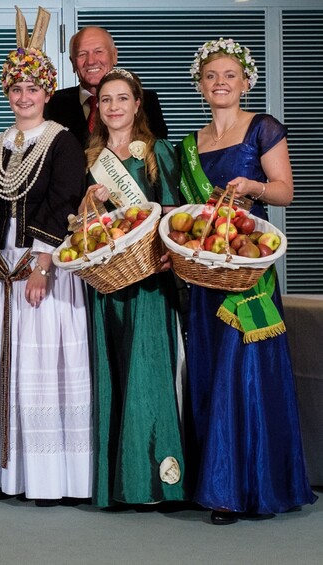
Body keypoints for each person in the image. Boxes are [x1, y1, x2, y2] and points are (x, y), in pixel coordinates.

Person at [179, 38, 316, 525]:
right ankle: (217, 484)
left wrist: (253, 187)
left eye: (229, 75)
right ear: (200, 85)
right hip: (203, 273)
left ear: (245, 81)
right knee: (211, 370)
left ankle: (248, 485)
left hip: (247, 269)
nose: (220, 82)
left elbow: (285, 192)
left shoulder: (263, 129)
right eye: (211, 76)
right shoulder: (189, 146)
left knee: (246, 372)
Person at [0, 18, 92, 505]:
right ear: (7, 91)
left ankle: (45, 478)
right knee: (0, 364)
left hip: (45, 264)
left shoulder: (62, 142)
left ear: (47, 92)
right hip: (1, 267)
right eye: (16, 88)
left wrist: (42, 265)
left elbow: (64, 200)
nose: (24, 97)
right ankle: (3, 472)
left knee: (39, 364)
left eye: (33, 88)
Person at [82, 68, 185, 508]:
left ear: (138, 104)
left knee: (148, 373)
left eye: (122, 98)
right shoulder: (91, 156)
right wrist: (89, 205)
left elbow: (179, 212)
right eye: (106, 100)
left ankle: (158, 481)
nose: (114, 107)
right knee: (114, 373)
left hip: (148, 281)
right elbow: (82, 227)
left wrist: (168, 254)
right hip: (107, 281)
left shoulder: (158, 151)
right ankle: (119, 482)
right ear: (97, 108)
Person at [45, 26, 167, 147]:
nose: (91, 61)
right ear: (73, 63)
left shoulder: (146, 101)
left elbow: (158, 155)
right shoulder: (52, 103)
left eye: (98, 51)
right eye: (82, 54)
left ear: (114, 55)